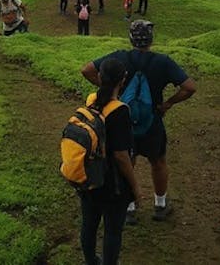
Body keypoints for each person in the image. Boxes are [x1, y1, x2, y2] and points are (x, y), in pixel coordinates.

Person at [82, 20, 197, 224]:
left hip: (122, 120)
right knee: (158, 161)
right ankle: (160, 205)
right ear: (151, 40)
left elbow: (87, 70)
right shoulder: (163, 62)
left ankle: (130, 208)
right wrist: (168, 103)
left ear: (131, 38)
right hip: (153, 121)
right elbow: (189, 87)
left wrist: (110, 91)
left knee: (126, 160)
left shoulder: (119, 57)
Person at [77, 58, 143, 265]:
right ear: (123, 80)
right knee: (113, 230)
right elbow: (122, 156)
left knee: (89, 224)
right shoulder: (120, 111)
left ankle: (90, 261)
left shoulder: (91, 100)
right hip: (112, 183)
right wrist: (135, 187)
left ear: (99, 77)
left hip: (89, 174)